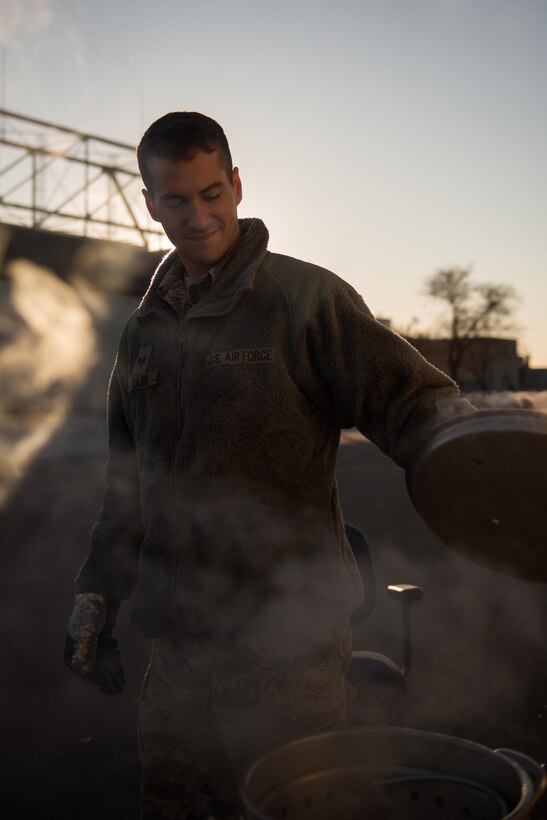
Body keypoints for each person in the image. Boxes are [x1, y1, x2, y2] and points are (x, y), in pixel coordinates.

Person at [65, 111, 474, 819]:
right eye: (175, 199)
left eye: (212, 192)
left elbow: (414, 406)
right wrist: (95, 601)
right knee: (174, 807)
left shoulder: (303, 299)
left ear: (237, 184)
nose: (198, 216)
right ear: (149, 203)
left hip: (289, 643)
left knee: (297, 807)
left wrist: (497, 481)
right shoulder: (141, 336)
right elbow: (127, 488)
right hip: (181, 638)